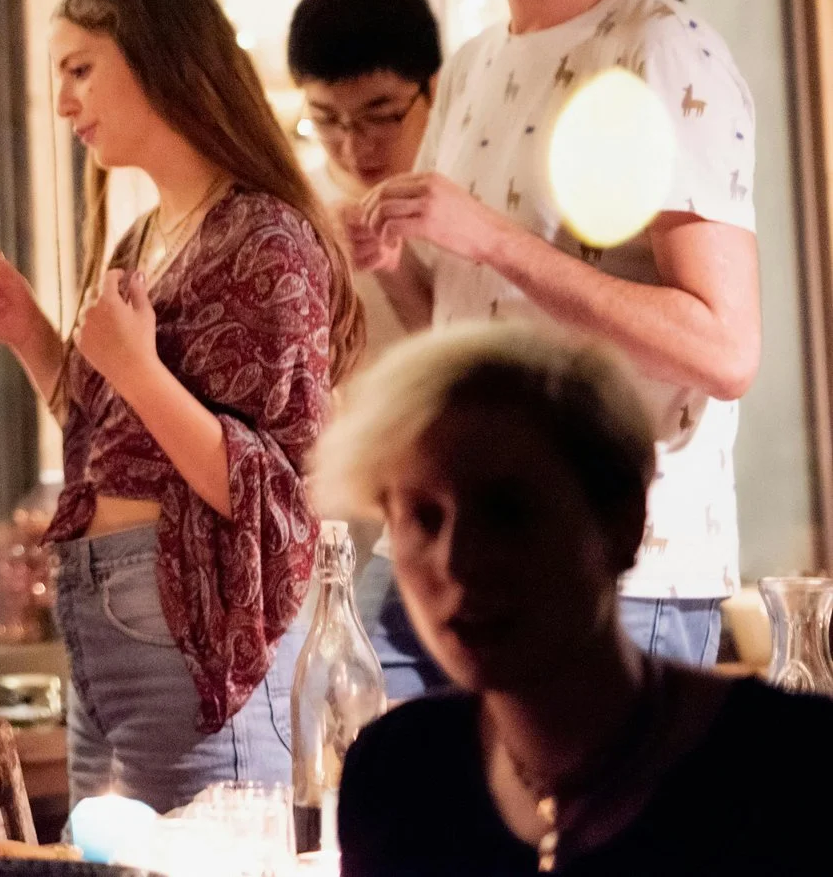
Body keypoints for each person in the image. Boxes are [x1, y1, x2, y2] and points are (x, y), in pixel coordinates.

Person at [350, 0, 761, 696]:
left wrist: (493, 239)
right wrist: (397, 269)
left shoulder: (657, 46)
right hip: (460, 535)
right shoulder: (466, 68)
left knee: (602, 842)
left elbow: (726, 348)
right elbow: (479, 334)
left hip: (617, 556)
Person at [0, 0, 359, 812]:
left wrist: (131, 363)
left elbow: (280, 491)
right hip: (103, 621)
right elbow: (117, 441)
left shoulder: (266, 237)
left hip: (190, 625)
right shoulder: (140, 240)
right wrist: (32, 335)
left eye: (80, 69)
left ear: (162, 57)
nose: (63, 103)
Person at [323, 323, 833, 875]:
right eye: (424, 518)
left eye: (508, 512)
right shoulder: (396, 773)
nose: (457, 561)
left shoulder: (794, 765)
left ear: (625, 522)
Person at [286, 0, 441, 364]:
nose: (353, 147)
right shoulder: (292, 206)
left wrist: (390, 263)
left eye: (381, 115)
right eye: (325, 119)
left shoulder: (466, 195)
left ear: (435, 88)